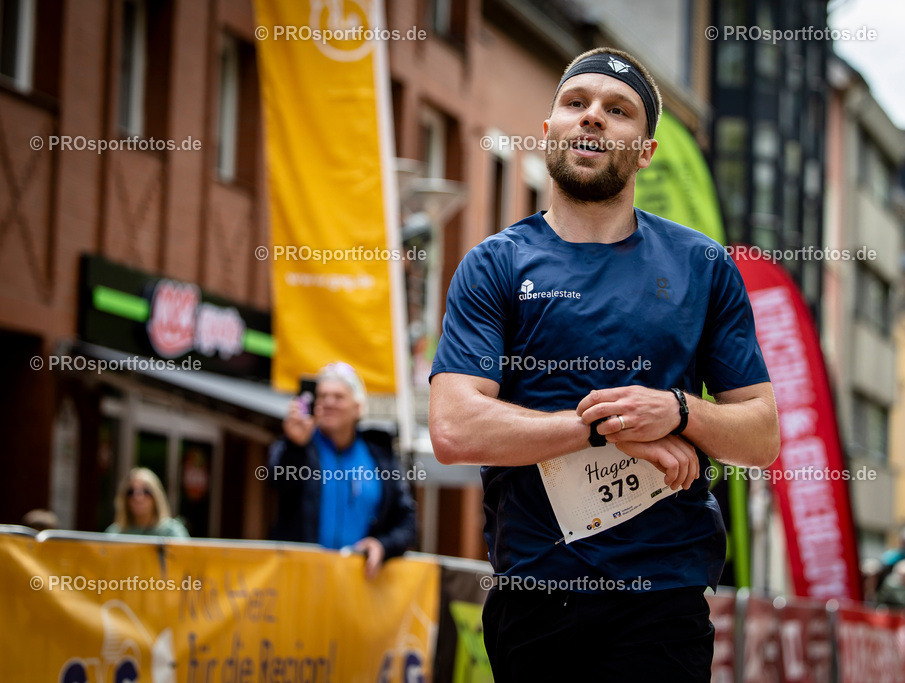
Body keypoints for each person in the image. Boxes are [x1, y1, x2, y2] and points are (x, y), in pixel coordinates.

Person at [428, 47, 779, 681]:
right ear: (548, 130)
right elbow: (454, 429)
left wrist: (675, 410)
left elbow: (760, 435)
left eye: (617, 111)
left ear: (645, 151)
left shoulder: (701, 266)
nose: (592, 117)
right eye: (576, 103)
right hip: (537, 593)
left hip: (662, 598)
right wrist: (606, 427)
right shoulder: (495, 265)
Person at [267, 361, 416, 579]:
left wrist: (382, 546)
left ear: (358, 407)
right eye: (322, 396)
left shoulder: (379, 456)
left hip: (357, 584)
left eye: (338, 397)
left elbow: (407, 522)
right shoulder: (299, 445)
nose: (328, 403)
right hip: (299, 580)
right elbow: (277, 483)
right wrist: (295, 446)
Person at [105, 467, 189, 538]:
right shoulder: (114, 534)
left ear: (156, 497)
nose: (138, 498)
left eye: (146, 491)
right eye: (131, 492)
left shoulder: (171, 532)